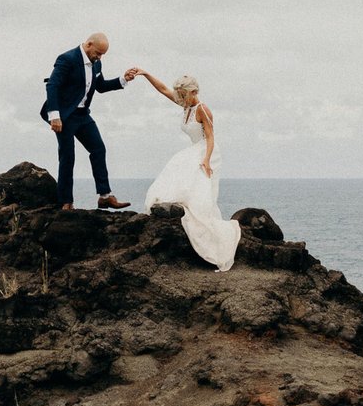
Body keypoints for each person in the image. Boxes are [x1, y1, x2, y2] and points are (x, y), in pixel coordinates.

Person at [127, 69, 240, 271]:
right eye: (179, 95)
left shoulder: (202, 110)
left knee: (198, 190)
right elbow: (163, 89)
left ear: (193, 92)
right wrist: (145, 74)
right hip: (195, 148)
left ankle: (208, 231)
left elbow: (211, 137)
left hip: (207, 151)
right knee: (177, 170)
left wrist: (206, 160)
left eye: (183, 95)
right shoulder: (185, 105)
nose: (180, 98)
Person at [40, 33, 135, 211]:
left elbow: (101, 87)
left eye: (103, 55)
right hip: (65, 115)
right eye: (98, 53)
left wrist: (123, 79)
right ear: (89, 44)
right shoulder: (67, 59)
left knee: (98, 149)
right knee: (68, 157)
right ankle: (66, 202)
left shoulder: (97, 63)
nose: (99, 57)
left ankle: (105, 196)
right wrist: (54, 116)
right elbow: (52, 85)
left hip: (83, 115)